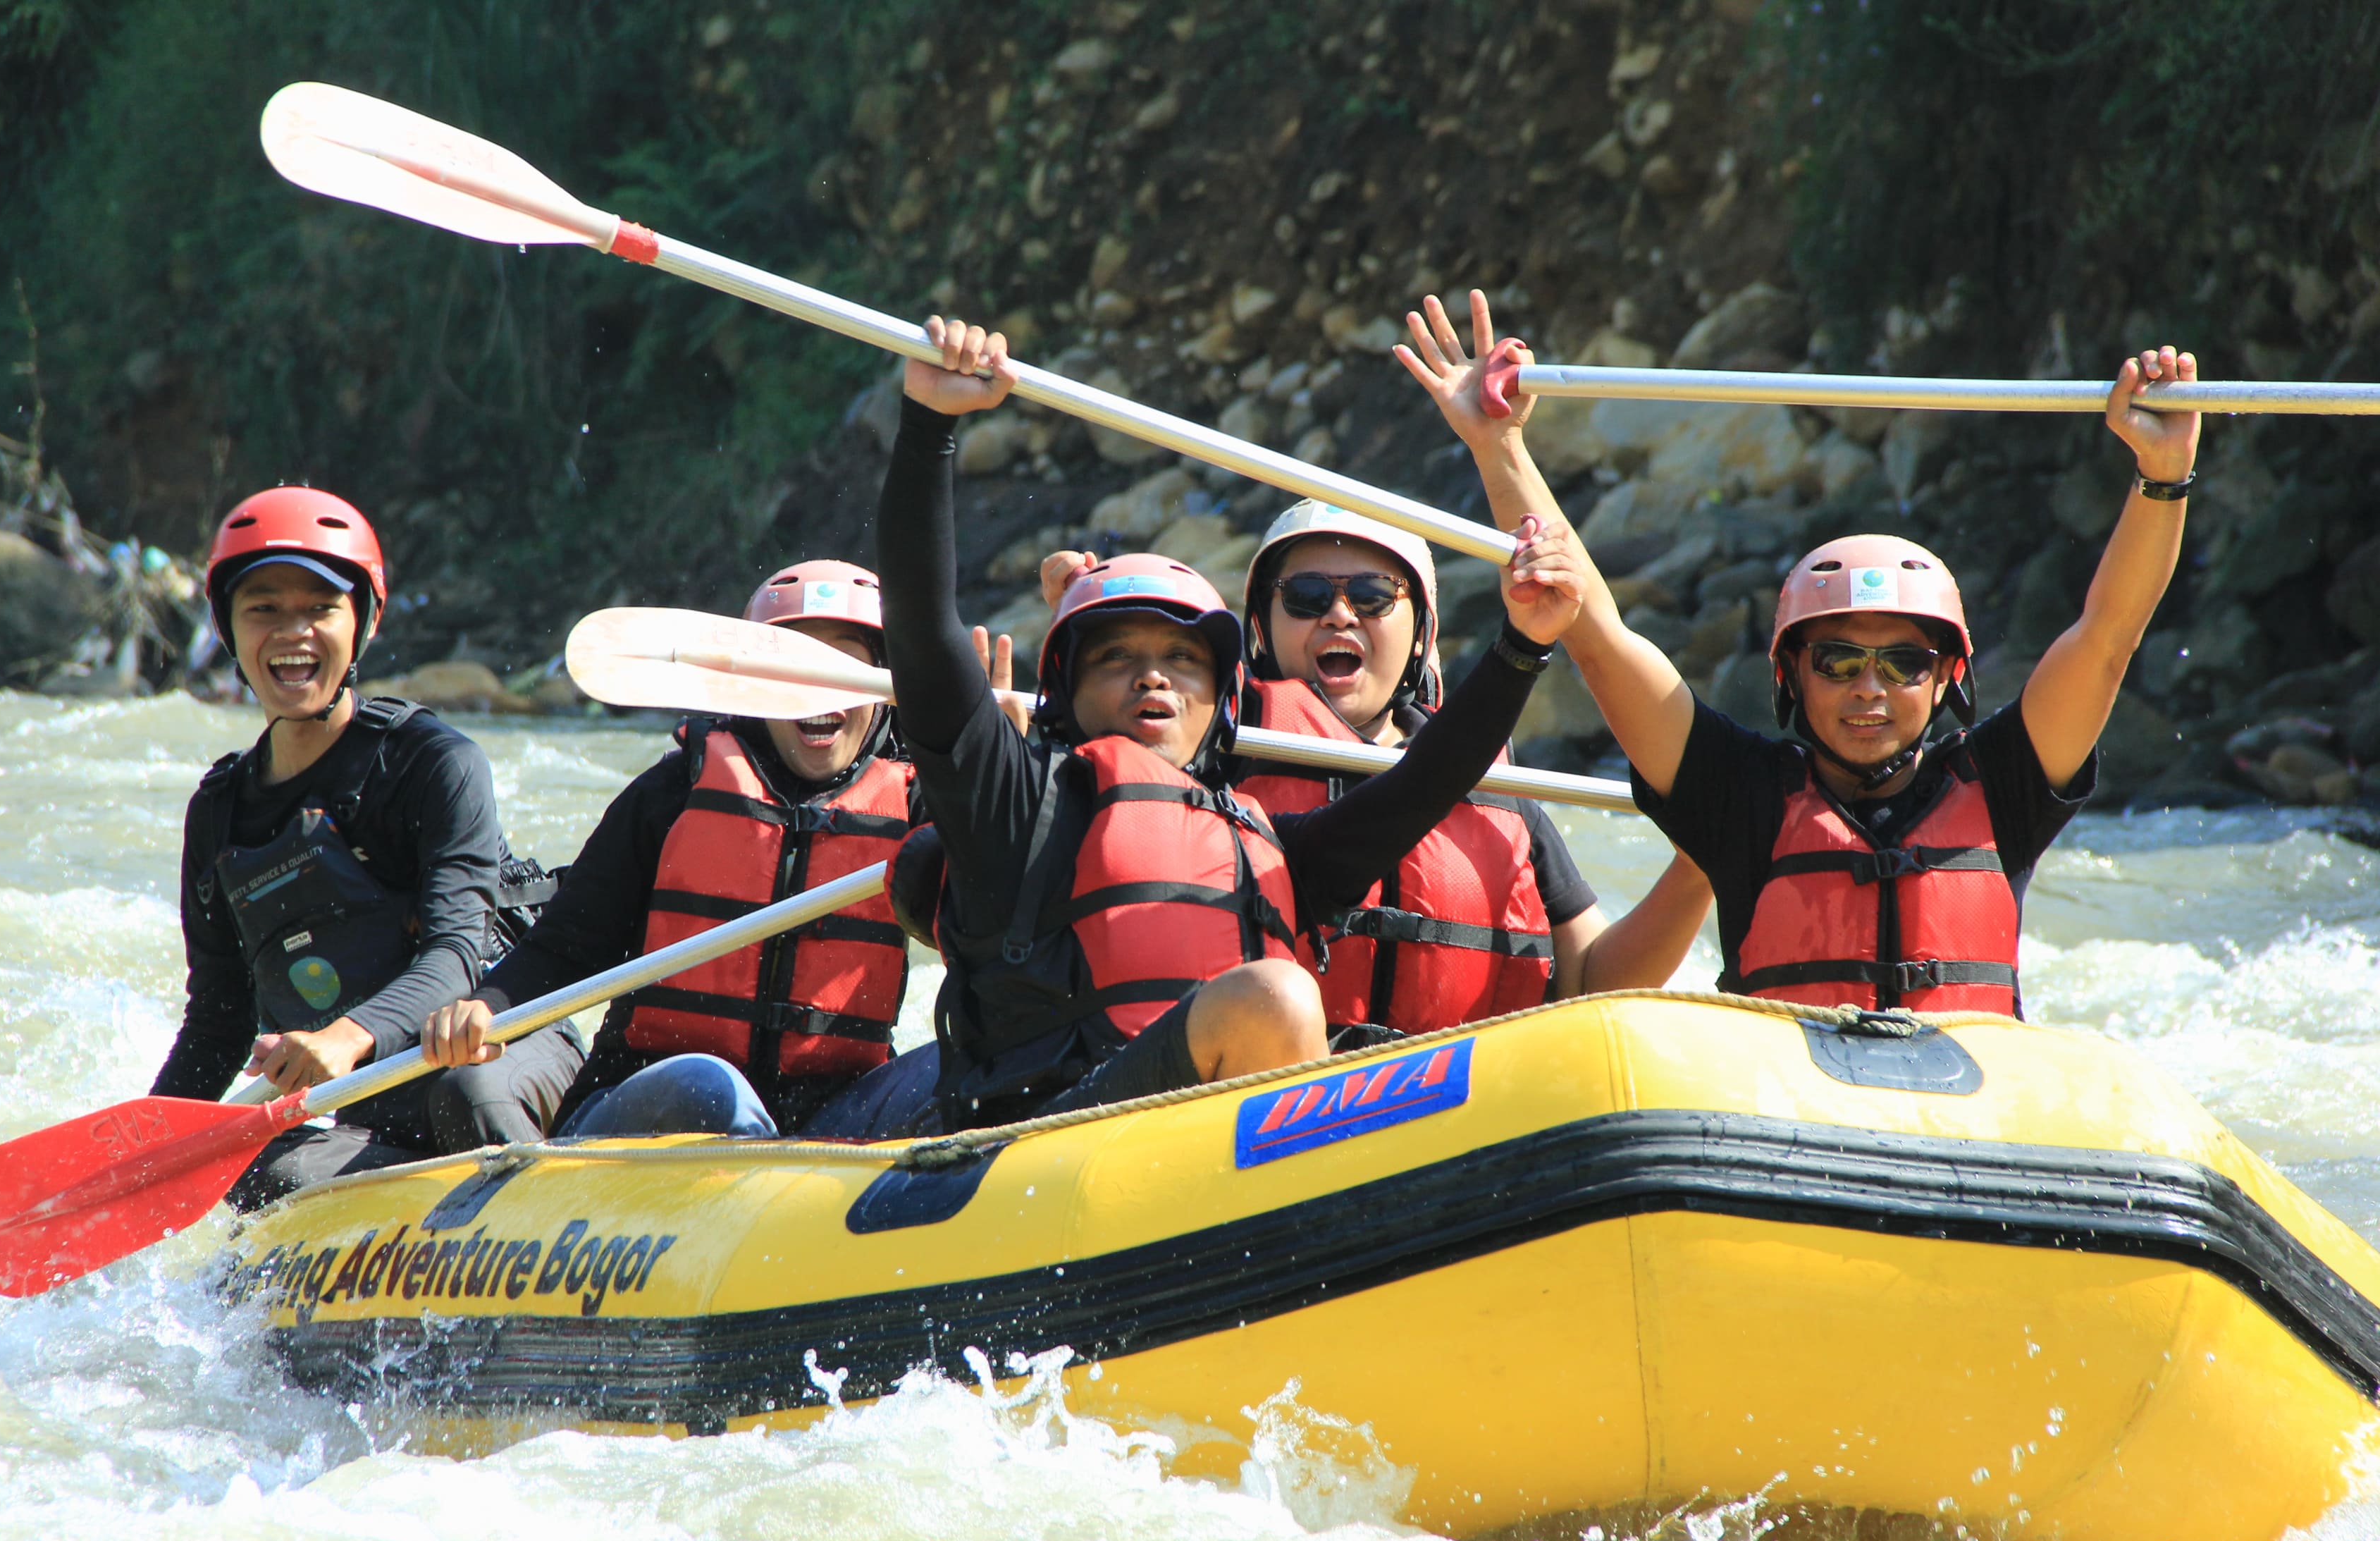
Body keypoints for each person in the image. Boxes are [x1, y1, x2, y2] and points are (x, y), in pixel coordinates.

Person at [841, 316, 1583, 1136]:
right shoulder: (1012, 805)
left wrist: (1523, 645)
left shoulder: (1270, 844)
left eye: (1182, 661)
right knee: (1276, 995)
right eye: (1115, 657)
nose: (1152, 674)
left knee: (1286, 1004)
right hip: (1043, 1150)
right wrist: (930, 427)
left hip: (1198, 1168)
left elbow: (1424, 785)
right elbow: (920, 627)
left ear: (1223, 700)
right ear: (1067, 694)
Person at [1398, 292, 2203, 1014]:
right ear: (1789, 676)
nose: (1870, 690)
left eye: (1904, 664)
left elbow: (2108, 636)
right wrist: (1497, 445)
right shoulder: (1738, 795)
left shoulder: (2005, 788)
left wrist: (2162, 478)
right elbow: (1594, 631)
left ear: (1949, 678)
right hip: (1794, 1123)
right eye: (1838, 661)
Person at [1035, 498, 1713, 1043]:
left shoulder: (1501, 795)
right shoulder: (1205, 759)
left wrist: (1696, 871)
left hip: (1470, 1101)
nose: (1338, 613)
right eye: (1303, 595)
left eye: (1373, 594)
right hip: (1273, 1097)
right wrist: (1091, 619)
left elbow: (1593, 982)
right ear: (1260, 631)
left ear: (1421, 632)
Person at [149, 486, 583, 1205]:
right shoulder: (219, 812)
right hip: (370, 1105)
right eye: (264, 608)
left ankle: (559, 1232)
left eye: (320, 608)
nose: (293, 632)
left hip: (495, 1053)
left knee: (465, 1093)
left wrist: (345, 1039)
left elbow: (454, 957)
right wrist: (149, 1145)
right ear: (229, 629)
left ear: (364, 623)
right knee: (258, 1169)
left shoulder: (433, 765)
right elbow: (219, 1023)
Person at [419, 561, 922, 1138]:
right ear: (755, 682)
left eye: (847, 664)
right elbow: (564, 948)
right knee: (709, 1087)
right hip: (660, 1103)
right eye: (797, 662)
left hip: (829, 1121)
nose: (819, 688)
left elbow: (998, 922)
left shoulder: (922, 807)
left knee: (943, 1074)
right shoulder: (675, 793)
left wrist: (994, 775)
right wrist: (487, 1005)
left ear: (884, 689)